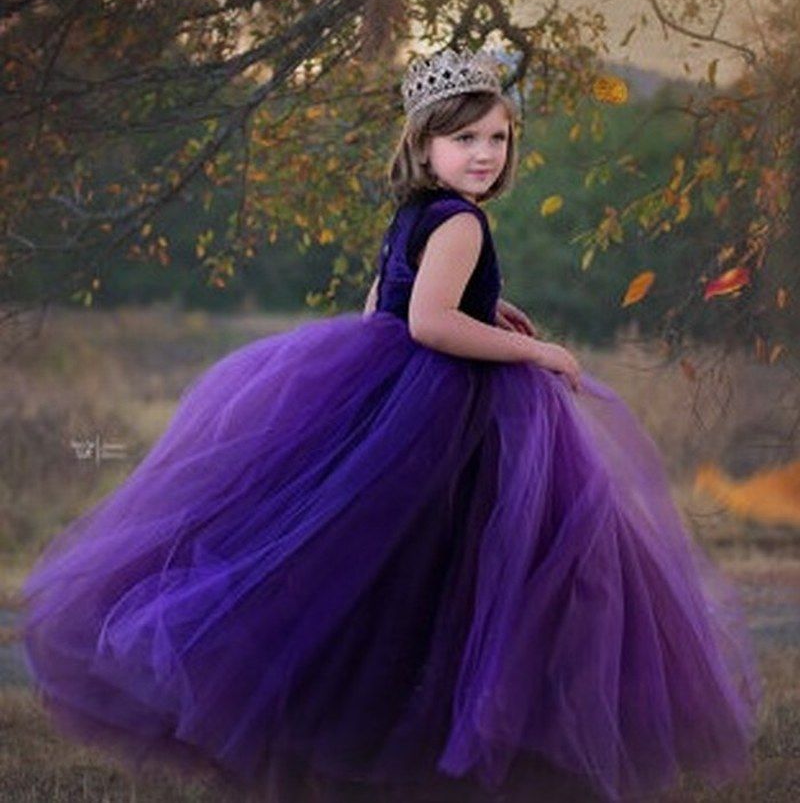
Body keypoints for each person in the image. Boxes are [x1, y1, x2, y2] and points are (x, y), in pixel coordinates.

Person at [19, 47, 761, 803]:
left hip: (398, 407)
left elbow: (385, 308)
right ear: (424, 143)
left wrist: (487, 311)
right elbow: (430, 324)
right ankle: (453, 744)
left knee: (393, 577)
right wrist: (537, 349)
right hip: (447, 414)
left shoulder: (414, 214)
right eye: (463, 138)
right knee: (470, 573)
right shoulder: (463, 223)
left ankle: (360, 737)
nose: (482, 154)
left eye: (497, 139)